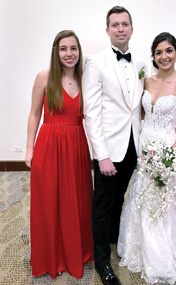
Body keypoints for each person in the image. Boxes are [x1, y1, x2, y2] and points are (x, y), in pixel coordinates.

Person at [117, 32, 176, 285]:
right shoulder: (146, 81)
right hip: (144, 145)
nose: (164, 56)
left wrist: (171, 151)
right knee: (140, 193)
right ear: (153, 56)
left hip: (166, 150)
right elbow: (136, 113)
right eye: (159, 52)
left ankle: (162, 251)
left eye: (169, 51)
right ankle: (137, 244)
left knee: (162, 199)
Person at [82, 6, 146, 285]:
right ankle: (102, 262)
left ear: (132, 28)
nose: (120, 28)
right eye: (115, 25)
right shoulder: (94, 62)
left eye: (125, 24)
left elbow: (142, 104)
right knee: (103, 204)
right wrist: (102, 155)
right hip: (108, 148)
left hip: (133, 144)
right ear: (107, 30)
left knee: (120, 198)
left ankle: (113, 240)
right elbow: (91, 112)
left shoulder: (142, 62)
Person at [25, 30, 94, 279]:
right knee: (49, 202)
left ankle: (75, 253)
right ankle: (50, 256)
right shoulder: (44, 77)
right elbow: (34, 114)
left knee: (75, 201)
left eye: (73, 48)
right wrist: (29, 148)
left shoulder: (86, 79)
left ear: (79, 51)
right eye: (63, 48)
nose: (69, 54)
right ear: (56, 52)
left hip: (76, 146)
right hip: (49, 144)